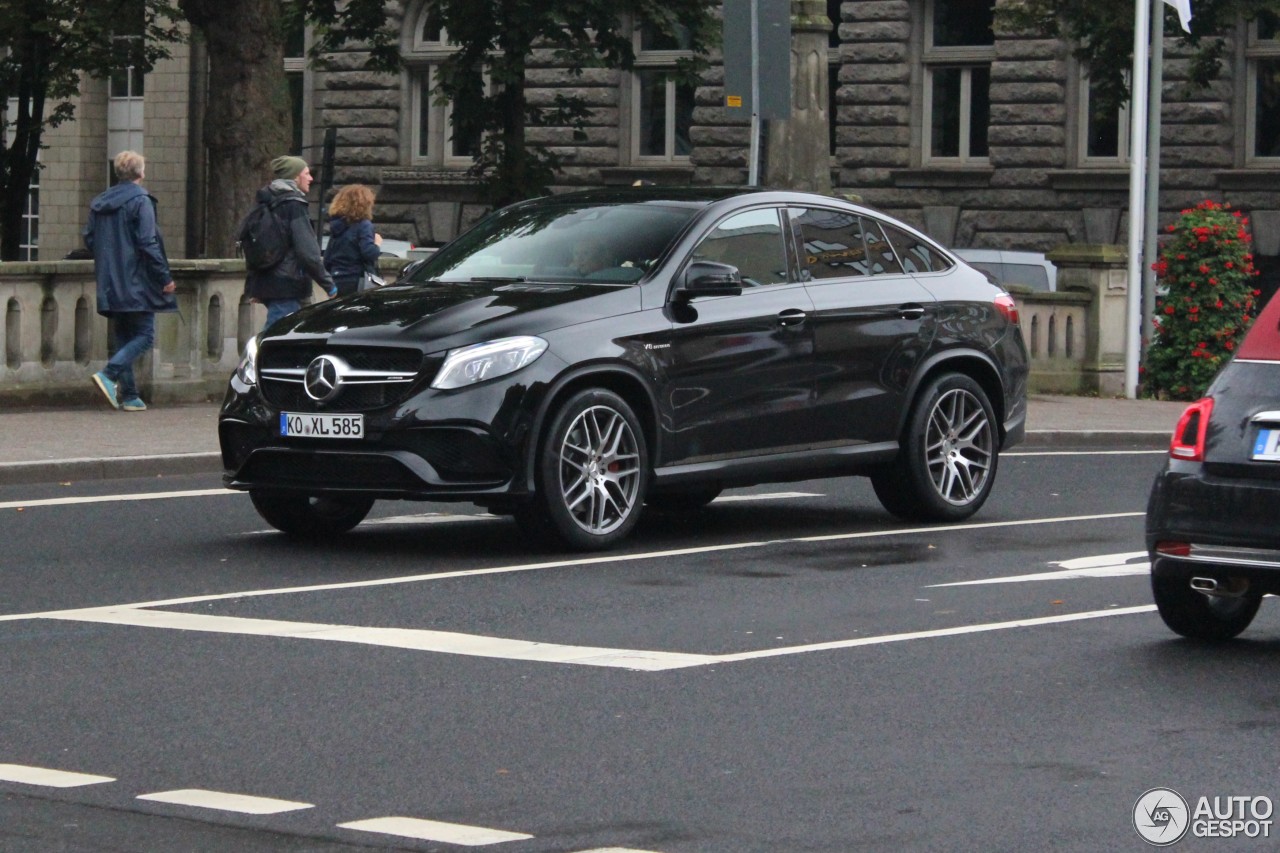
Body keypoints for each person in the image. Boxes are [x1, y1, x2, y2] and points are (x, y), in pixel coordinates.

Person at [84, 150, 178, 412]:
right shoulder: (141, 201)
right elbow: (148, 242)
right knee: (145, 335)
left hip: (109, 280)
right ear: (141, 172)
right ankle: (109, 374)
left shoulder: (99, 203)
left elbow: (90, 239)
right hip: (137, 280)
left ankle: (130, 396)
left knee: (124, 337)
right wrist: (165, 278)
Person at [244, 155, 336, 329]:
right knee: (277, 338)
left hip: (269, 282)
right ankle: (258, 357)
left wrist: (252, 285)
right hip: (287, 284)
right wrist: (329, 285)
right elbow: (308, 253)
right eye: (306, 174)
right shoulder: (293, 205)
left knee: (299, 335)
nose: (311, 178)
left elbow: (252, 244)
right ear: (295, 177)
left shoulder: (266, 199)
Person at [322, 183, 383, 297]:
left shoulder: (336, 226)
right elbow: (369, 253)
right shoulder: (364, 225)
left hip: (337, 280)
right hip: (357, 280)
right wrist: (377, 243)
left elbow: (327, 259)